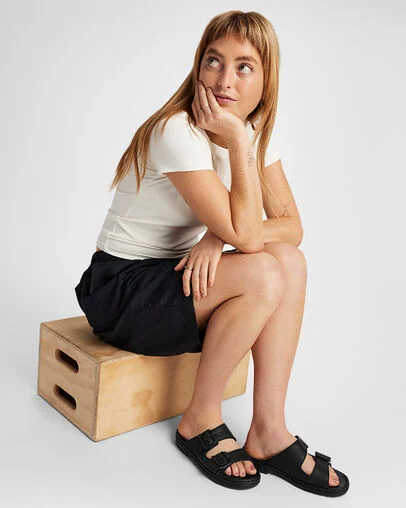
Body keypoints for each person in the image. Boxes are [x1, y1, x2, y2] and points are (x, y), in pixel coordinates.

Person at [75, 10, 349, 495]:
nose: (224, 80)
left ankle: (269, 430)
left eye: (244, 66)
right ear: (197, 67)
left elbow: (292, 228)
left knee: (289, 262)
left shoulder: (252, 135)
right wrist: (238, 154)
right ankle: (200, 418)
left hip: (179, 275)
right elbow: (250, 237)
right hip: (121, 289)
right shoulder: (177, 130)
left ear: (266, 79)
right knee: (263, 272)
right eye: (213, 61)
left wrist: (215, 236)